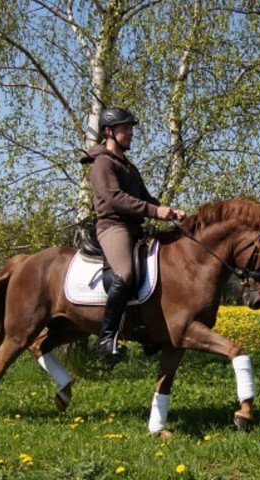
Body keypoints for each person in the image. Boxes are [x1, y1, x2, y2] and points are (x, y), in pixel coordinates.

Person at [79, 107, 185, 362]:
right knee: (125, 273)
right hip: (114, 227)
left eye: (131, 129)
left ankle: (146, 330)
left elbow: (145, 198)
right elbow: (115, 199)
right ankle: (107, 339)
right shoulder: (103, 163)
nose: (130, 133)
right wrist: (154, 211)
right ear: (109, 132)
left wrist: (169, 211)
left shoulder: (128, 167)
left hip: (135, 228)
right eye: (125, 129)